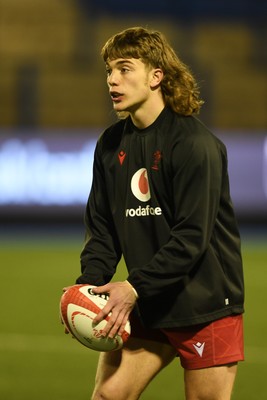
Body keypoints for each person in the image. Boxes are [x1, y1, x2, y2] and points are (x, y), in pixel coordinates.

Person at [75, 26, 245, 400]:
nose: (112, 80)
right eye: (109, 71)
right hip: (149, 298)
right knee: (109, 396)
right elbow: (102, 228)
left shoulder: (195, 145)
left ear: (156, 77)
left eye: (124, 69)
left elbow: (191, 238)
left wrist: (133, 287)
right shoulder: (110, 145)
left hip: (204, 305)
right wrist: (89, 286)